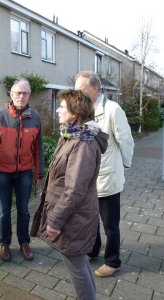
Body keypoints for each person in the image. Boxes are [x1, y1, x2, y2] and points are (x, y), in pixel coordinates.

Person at [31, 89, 108, 300]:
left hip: (73, 217)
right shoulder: (71, 135)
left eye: (62, 107)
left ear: (75, 112)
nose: (57, 110)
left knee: (76, 265)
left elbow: (74, 190)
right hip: (74, 215)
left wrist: (54, 221)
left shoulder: (82, 143)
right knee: (79, 261)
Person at [74, 71, 134, 278]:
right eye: (76, 90)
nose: (78, 94)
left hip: (107, 176)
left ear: (96, 89)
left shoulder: (112, 110)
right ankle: (92, 250)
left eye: (81, 89)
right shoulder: (82, 111)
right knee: (90, 219)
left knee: (110, 224)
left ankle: (113, 261)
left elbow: (126, 140)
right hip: (88, 178)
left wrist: (125, 165)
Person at [0, 79, 45, 262]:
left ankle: (24, 243)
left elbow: (38, 148)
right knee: (4, 211)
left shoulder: (35, 118)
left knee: (24, 210)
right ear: (11, 95)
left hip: (25, 173)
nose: (21, 96)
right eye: (18, 93)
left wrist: (39, 173)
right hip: (3, 171)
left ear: (29, 95)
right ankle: (4, 244)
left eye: (25, 93)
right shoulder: (0, 116)